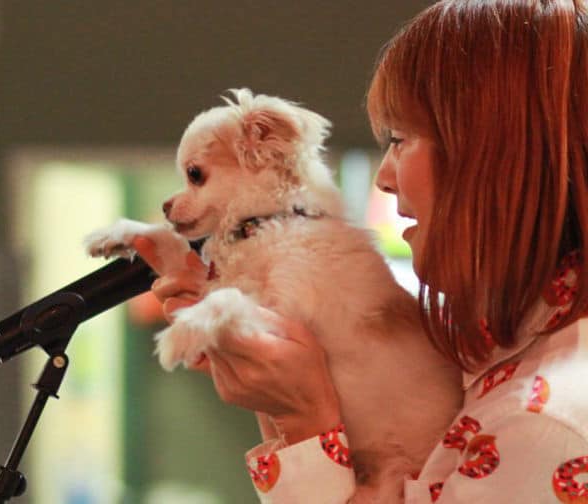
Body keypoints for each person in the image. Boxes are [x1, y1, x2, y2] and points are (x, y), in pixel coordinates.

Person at [134, 0, 588, 501]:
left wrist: (305, 419)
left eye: (400, 139)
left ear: (499, 151)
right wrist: (284, 390)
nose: (385, 177)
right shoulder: (507, 358)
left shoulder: (545, 425)